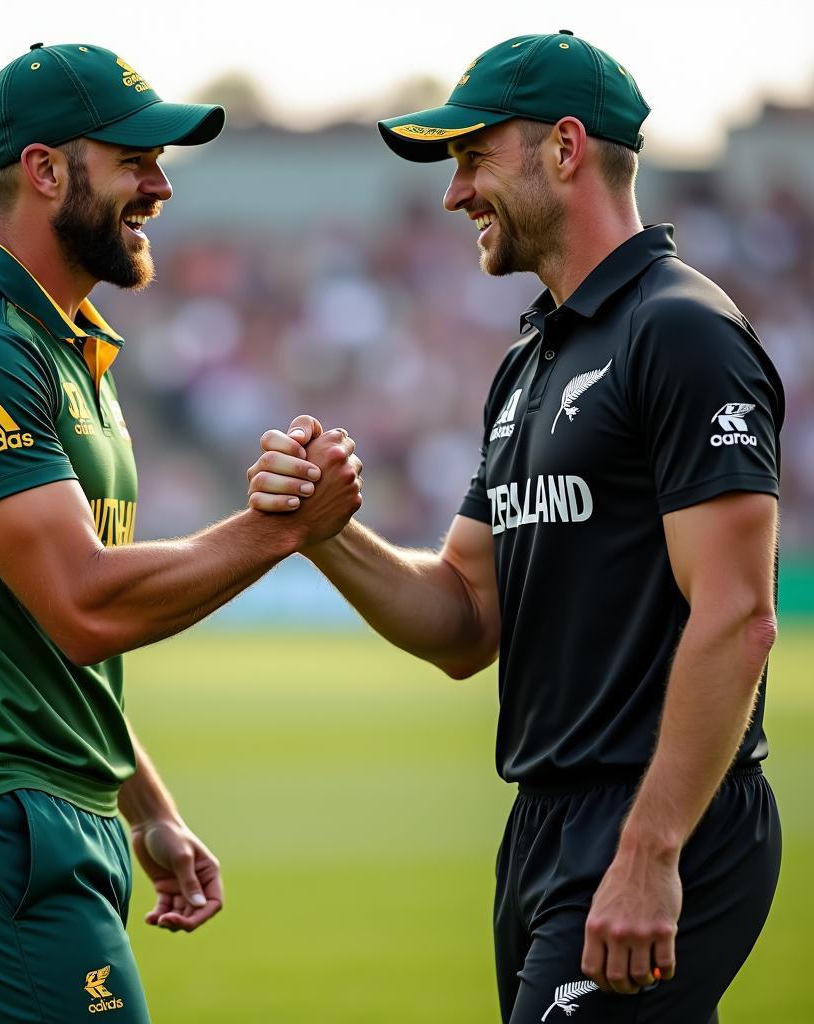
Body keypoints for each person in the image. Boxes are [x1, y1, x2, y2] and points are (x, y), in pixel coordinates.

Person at [248, 30, 783, 1024]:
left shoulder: (680, 330)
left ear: (565, 149)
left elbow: (739, 613)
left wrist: (649, 850)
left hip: (654, 817)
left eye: (471, 158)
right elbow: (463, 618)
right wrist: (325, 532)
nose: (453, 195)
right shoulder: (531, 360)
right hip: (545, 826)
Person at [0, 42, 362, 1024]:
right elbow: (83, 604)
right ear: (45, 170)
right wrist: (282, 531)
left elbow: (45, 643)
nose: (160, 184)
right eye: (134, 158)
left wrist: (147, 808)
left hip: (40, 812)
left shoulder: (65, 350)